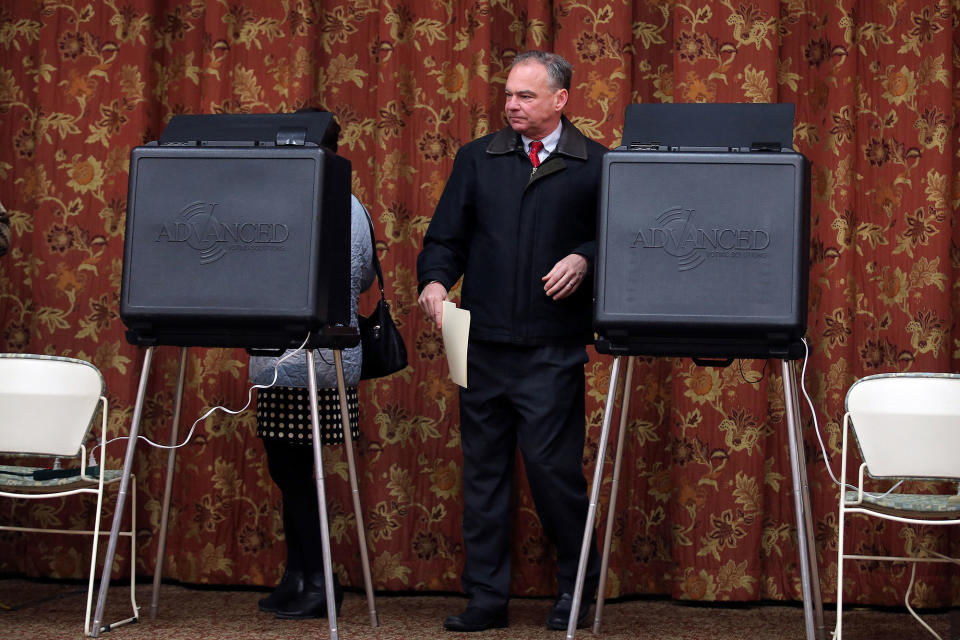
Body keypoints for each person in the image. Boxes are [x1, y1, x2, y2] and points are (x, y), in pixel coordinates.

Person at [416, 50, 605, 632]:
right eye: (508, 95)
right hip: (481, 344)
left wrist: (585, 256)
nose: (512, 105)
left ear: (560, 100)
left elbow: (622, 241)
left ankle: (577, 590)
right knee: (484, 475)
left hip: (551, 348)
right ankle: (486, 599)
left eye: (526, 96)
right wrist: (435, 279)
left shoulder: (597, 164)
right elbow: (445, 236)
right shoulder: (478, 158)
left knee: (553, 474)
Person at [248, 125, 376, 619]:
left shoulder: (306, 200)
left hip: (310, 358)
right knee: (290, 470)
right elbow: (362, 278)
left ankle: (321, 580)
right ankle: (297, 573)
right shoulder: (350, 201)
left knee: (299, 474)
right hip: (305, 359)